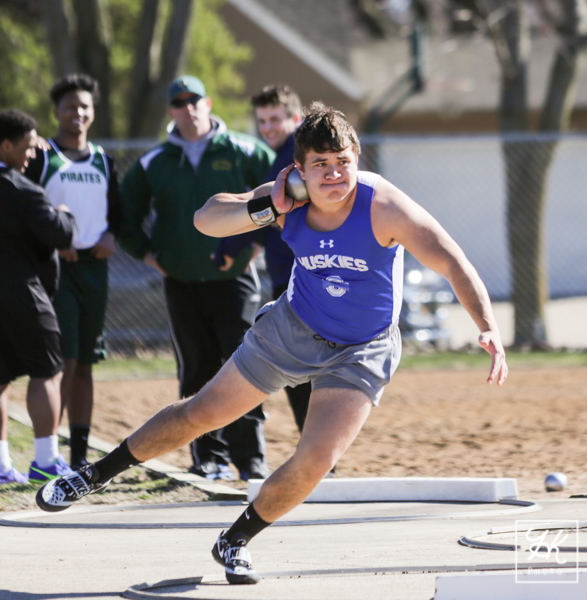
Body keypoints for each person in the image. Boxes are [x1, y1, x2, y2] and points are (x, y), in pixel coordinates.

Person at [35, 102, 508, 585]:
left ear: (357, 160)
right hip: (293, 325)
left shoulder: (384, 207)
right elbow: (206, 220)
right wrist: (267, 208)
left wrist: (486, 324)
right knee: (202, 413)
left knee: (317, 458)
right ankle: (94, 474)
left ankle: (235, 540)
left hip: (362, 348)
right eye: (320, 165)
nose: (333, 175)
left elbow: (453, 261)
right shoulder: (287, 198)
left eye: (342, 162)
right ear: (299, 168)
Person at [116, 75, 275, 481]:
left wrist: (253, 246)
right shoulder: (155, 161)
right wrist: (151, 256)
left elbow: (279, 197)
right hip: (182, 281)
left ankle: (251, 460)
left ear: (208, 103)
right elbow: (123, 214)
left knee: (246, 366)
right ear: (171, 110)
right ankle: (209, 458)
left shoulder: (242, 149)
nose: (189, 108)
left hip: (234, 281)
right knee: (196, 370)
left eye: (195, 100)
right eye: (179, 102)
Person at [0, 109, 77, 485]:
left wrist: (8, 136)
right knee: (47, 373)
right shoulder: (23, 191)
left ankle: (0, 468)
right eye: (26, 146)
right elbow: (62, 235)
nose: (32, 154)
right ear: (5, 145)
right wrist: (65, 213)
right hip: (21, 289)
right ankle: (46, 461)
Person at [21, 74, 122, 470]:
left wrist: (112, 234)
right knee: (60, 362)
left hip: (95, 269)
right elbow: (27, 210)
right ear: (56, 112)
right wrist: (53, 240)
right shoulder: (42, 158)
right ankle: (51, 453)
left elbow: (118, 213)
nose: (77, 113)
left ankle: (80, 456)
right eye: (69, 107)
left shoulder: (103, 160)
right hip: (57, 268)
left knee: (84, 363)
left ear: (92, 112)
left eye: (84, 107)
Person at [214, 84, 312, 433]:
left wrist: (226, 248)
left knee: (298, 368)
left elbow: (266, 209)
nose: (267, 127)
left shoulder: (292, 157)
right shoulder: (288, 154)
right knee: (303, 367)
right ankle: (319, 455)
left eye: (275, 119)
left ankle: (318, 457)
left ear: (295, 118)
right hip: (297, 273)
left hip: (299, 276)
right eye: (262, 121)